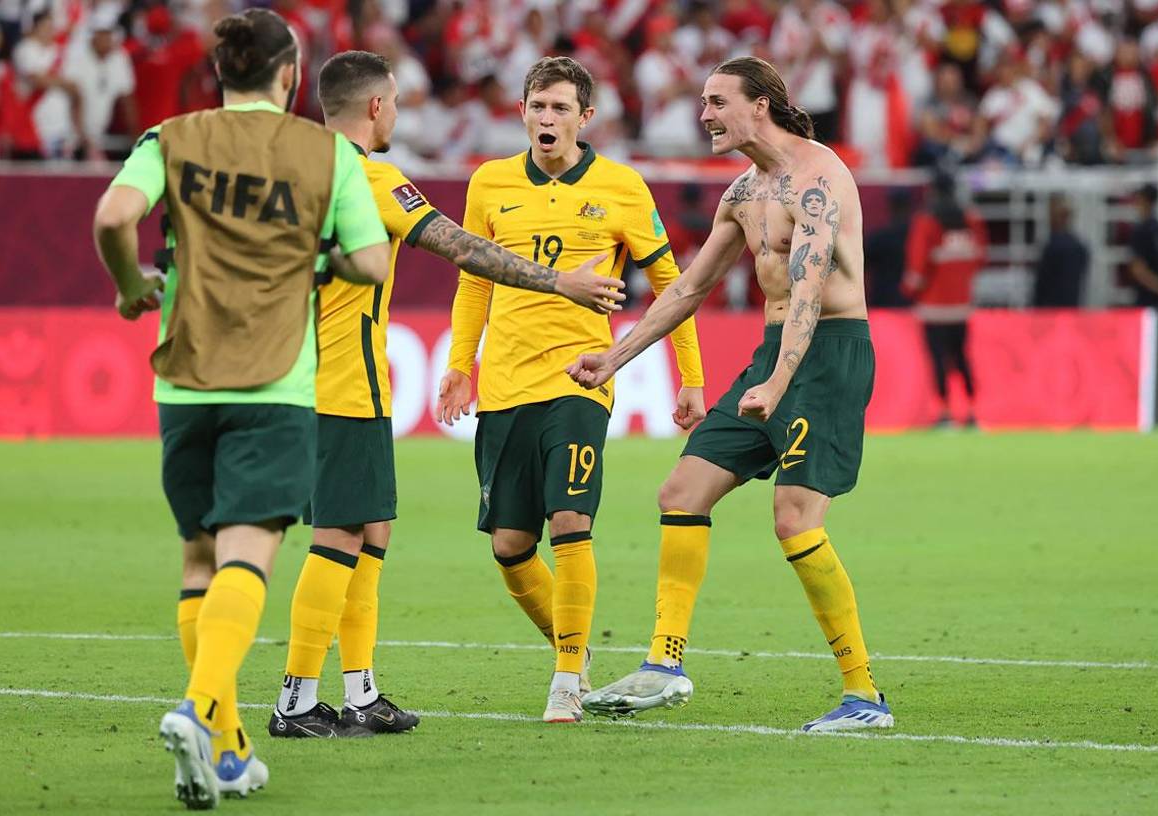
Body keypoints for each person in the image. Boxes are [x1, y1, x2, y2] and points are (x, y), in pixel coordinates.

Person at [267, 50, 625, 739]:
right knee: (340, 533)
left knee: (372, 529)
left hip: (292, 376)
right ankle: (296, 699)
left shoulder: (287, 175)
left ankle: (361, 692)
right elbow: (463, 250)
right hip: (345, 382)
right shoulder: (369, 176)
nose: (397, 111)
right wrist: (561, 283)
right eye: (395, 101)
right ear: (375, 108)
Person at [92, 9, 390, 809]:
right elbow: (371, 258)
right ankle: (198, 710)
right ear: (290, 76)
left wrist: (130, 290)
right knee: (247, 556)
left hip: (182, 382)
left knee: (197, 559)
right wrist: (319, 257)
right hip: (273, 386)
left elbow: (114, 217)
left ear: (220, 74)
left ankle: (226, 746)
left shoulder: (169, 137)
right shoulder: (326, 153)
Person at [568, 56, 894, 733]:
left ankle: (864, 697)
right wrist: (616, 358)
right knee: (681, 492)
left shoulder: (818, 180)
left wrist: (779, 381)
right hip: (772, 356)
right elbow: (688, 288)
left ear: (761, 105)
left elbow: (808, 287)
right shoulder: (744, 193)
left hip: (828, 357)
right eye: (704, 102)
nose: (705, 114)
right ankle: (664, 666)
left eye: (718, 101)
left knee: (795, 518)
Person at [436, 55, 706, 724]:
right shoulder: (490, 182)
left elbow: (675, 287)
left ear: (586, 118)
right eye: (537, 106)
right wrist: (460, 362)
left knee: (570, 521)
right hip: (503, 381)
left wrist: (692, 377)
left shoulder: (620, 187)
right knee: (508, 545)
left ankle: (564, 680)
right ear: (522, 112)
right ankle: (573, 647)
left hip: (583, 377)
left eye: (560, 108)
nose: (546, 118)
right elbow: (473, 276)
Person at [902, 172, 986, 428]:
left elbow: (916, 268)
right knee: (962, 358)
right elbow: (980, 258)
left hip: (933, 308)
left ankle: (945, 413)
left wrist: (909, 291)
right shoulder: (971, 219)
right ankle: (972, 412)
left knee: (939, 359)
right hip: (961, 306)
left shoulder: (926, 222)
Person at [1033, 196, 1088, 308]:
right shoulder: (1080, 246)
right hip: (1071, 305)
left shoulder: (1053, 245)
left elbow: (1042, 282)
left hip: (1052, 308)